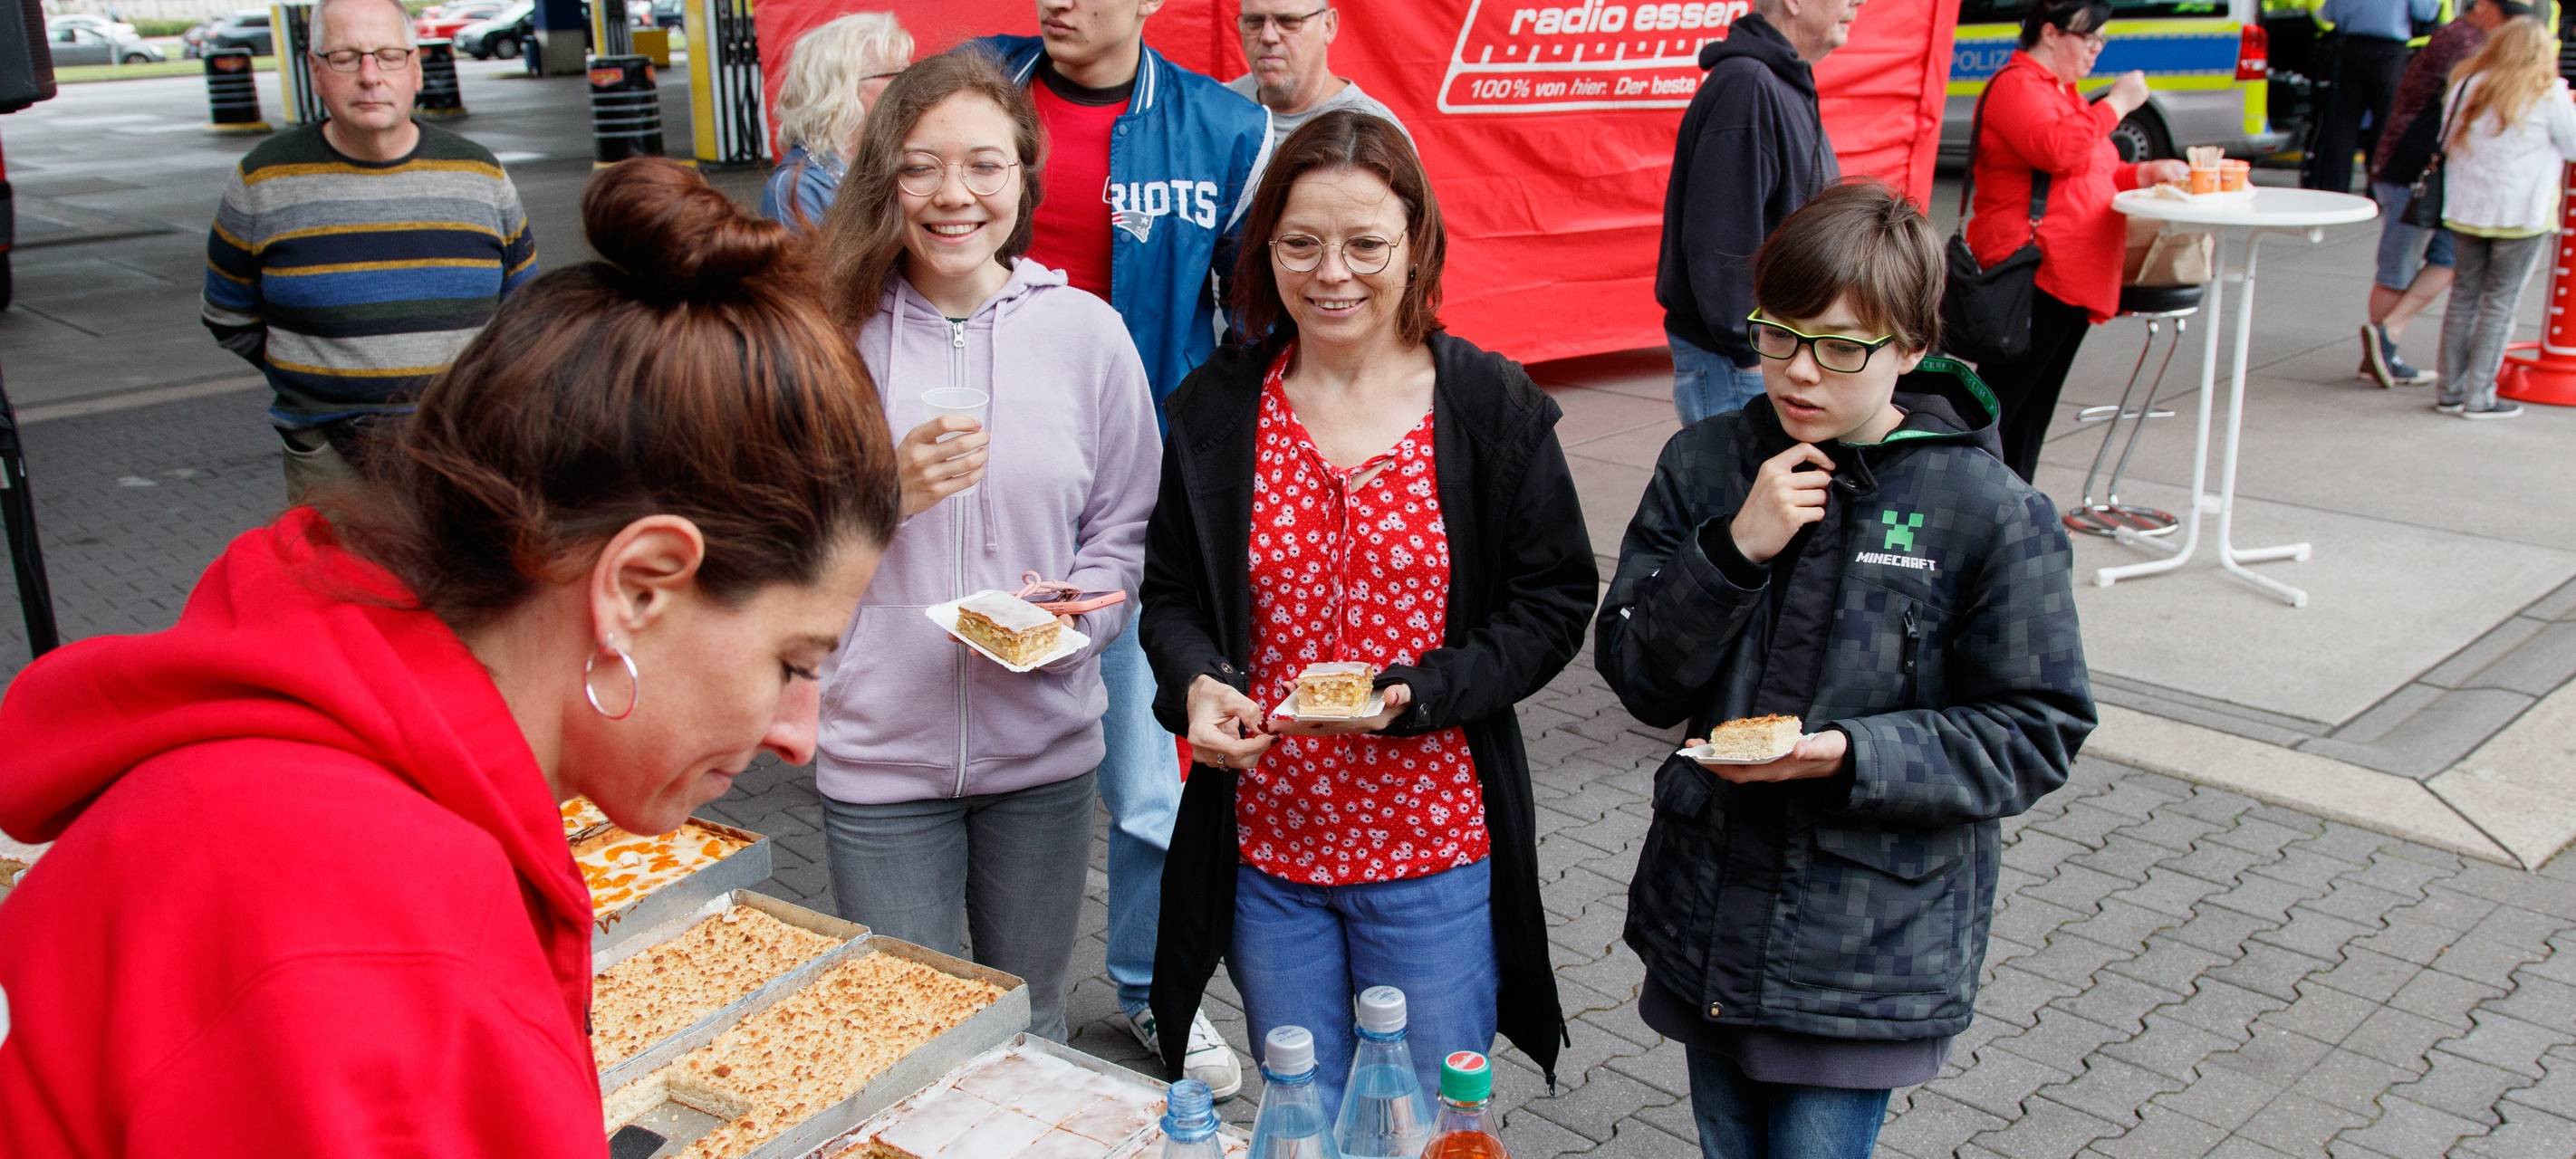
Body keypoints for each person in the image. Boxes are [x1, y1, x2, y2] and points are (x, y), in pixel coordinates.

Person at [0, 158, 901, 1156]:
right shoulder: (374, 926)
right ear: (638, 585)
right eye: (795, 660)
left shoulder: (323, 727)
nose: (799, 737)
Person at [1598, 181, 2095, 1159]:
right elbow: (1639, 673)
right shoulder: (1707, 463)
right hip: (1708, 912)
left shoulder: (1988, 508)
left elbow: (2037, 726)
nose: (1798, 372)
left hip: (1870, 948)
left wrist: (1848, 754)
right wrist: (1732, 550)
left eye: (1840, 346)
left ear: (1911, 345)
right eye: (1777, 336)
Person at [1139, 109, 1594, 1117]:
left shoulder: (1488, 409)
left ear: (1416, 244)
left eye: (1364, 243)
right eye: (1299, 242)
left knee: (1424, 1118)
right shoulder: (1218, 410)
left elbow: (1554, 599)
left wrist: (1420, 691)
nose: (1330, 272)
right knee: (1304, 1110)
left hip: (1431, 843)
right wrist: (1198, 684)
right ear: (1265, 251)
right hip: (1270, 844)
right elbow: (1169, 594)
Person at [812, 51, 1160, 1043]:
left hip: (1042, 747)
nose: (953, 195)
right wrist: (888, 492)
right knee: (908, 1034)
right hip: (880, 753)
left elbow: (1124, 527)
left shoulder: (1086, 332)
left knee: (1031, 1017)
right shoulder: (829, 336)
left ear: (1023, 179)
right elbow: (776, 540)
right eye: (920, 167)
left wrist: (1078, 620)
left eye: (984, 166)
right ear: (886, 179)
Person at [976, 0, 1273, 1097]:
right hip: (979, 494)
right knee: (988, 760)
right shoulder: (975, 90)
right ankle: (990, 994)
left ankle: (1157, 989)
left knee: (1150, 786)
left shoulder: (1218, 130)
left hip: (1134, 500)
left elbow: (1253, 319)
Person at [202, 0, 535, 503]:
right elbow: (228, 316)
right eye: (344, 56)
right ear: (315, 71)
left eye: (388, 55)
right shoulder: (263, 181)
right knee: (340, 585)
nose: (369, 75)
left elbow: (524, 315)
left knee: (461, 583)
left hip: (465, 450)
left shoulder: (480, 176)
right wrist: (316, 381)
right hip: (330, 460)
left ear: (416, 68)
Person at [1963, 0, 2190, 484]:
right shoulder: (2017, 85)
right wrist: (2120, 103)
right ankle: (1977, 504)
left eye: (2100, 41)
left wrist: (2146, 171)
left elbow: (2093, 170)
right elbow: (2059, 150)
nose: (2095, 51)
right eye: (2088, 39)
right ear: (2050, 33)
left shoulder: (2062, 93)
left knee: (2032, 405)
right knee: (2006, 404)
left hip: (2068, 272)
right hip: (2035, 270)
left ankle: (2014, 504)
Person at [1656, 0, 1869, 427]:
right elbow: (1720, 240)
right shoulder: (1747, 85)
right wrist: (1750, 352)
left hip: (1772, 352)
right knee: (1744, 494)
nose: (1858, 3)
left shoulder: (1781, 80)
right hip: (1745, 363)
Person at [2357, 0, 2526, 388]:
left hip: (2426, 168)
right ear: (2485, 7)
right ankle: (2381, 350)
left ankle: (2385, 339)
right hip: (2414, 168)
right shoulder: (2467, 44)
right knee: (2401, 266)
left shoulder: (2464, 38)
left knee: (2445, 257)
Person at [2431, 14, 2576, 420]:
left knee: (2462, 299)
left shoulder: (2466, 86)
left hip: (2466, 208)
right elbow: (2573, 146)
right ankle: (2480, 396)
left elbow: (2443, 140)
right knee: (2499, 305)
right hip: (2522, 212)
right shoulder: (2547, 94)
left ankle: (2450, 390)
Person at [763, 12, 913, 232]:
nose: (909, 85)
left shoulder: (892, 160)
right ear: (841, 89)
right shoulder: (797, 189)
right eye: (897, 74)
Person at [1225, 0, 1408, 150]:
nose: (1268, 36)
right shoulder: (1213, 111)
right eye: (1254, 21)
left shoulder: (1374, 130)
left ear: (1328, 26)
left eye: (1288, 21)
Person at [2304, 0, 2444, 195]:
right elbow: (2425, 12)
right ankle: (2377, 189)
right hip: (2390, 55)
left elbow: (2329, 14)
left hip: (2352, 48)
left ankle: (2335, 189)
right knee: (2385, 124)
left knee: (2343, 125)